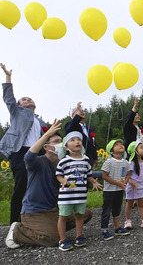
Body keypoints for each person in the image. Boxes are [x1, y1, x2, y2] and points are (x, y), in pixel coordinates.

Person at [5, 120, 92, 249]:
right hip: (35, 211)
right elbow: (28, 157)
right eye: (56, 142)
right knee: (52, 240)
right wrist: (46, 135)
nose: (60, 144)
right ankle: (18, 231)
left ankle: (52, 228)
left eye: (61, 141)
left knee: (85, 213)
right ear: (46, 147)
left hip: (54, 210)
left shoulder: (63, 164)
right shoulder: (37, 163)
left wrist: (107, 175)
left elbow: (83, 174)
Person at [0, 63, 47, 224]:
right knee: (21, 187)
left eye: (30, 98)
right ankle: (15, 225)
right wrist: (8, 76)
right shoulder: (17, 113)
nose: (27, 100)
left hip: (37, 154)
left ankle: (33, 221)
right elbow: (8, 98)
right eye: (24, 99)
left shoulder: (40, 121)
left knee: (37, 185)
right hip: (20, 153)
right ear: (19, 105)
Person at [56, 131, 102, 251]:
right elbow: (58, 175)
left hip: (81, 194)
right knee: (63, 216)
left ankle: (79, 236)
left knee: (79, 216)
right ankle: (62, 239)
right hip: (66, 195)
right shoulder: (63, 161)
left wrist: (94, 182)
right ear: (66, 147)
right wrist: (63, 181)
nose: (77, 142)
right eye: (72, 140)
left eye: (79, 140)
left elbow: (88, 174)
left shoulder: (86, 160)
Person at [100, 139, 131, 241]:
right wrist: (117, 183)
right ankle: (104, 230)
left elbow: (128, 173)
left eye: (121, 144)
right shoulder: (109, 162)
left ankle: (117, 228)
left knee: (117, 209)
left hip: (119, 189)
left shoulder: (126, 162)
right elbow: (104, 176)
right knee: (107, 210)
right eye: (117, 145)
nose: (121, 145)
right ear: (112, 151)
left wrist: (125, 182)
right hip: (109, 190)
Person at [124, 140, 143, 229]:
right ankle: (128, 221)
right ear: (135, 151)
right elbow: (126, 176)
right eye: (141, 148)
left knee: (141, 204)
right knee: (129, 204)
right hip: (131, 187)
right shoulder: (131, 163)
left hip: (140, 186)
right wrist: (131, 183)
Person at [65, 102, 98, 166]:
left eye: (82, 110)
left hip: (89, 159)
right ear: (72, 116)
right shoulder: (71, 125)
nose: (81, 112)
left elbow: (93, 143)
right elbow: (69, 129)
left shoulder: (89, 128)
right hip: (77, 159)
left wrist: (95, 158)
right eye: (77, 111)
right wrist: (77, 117)